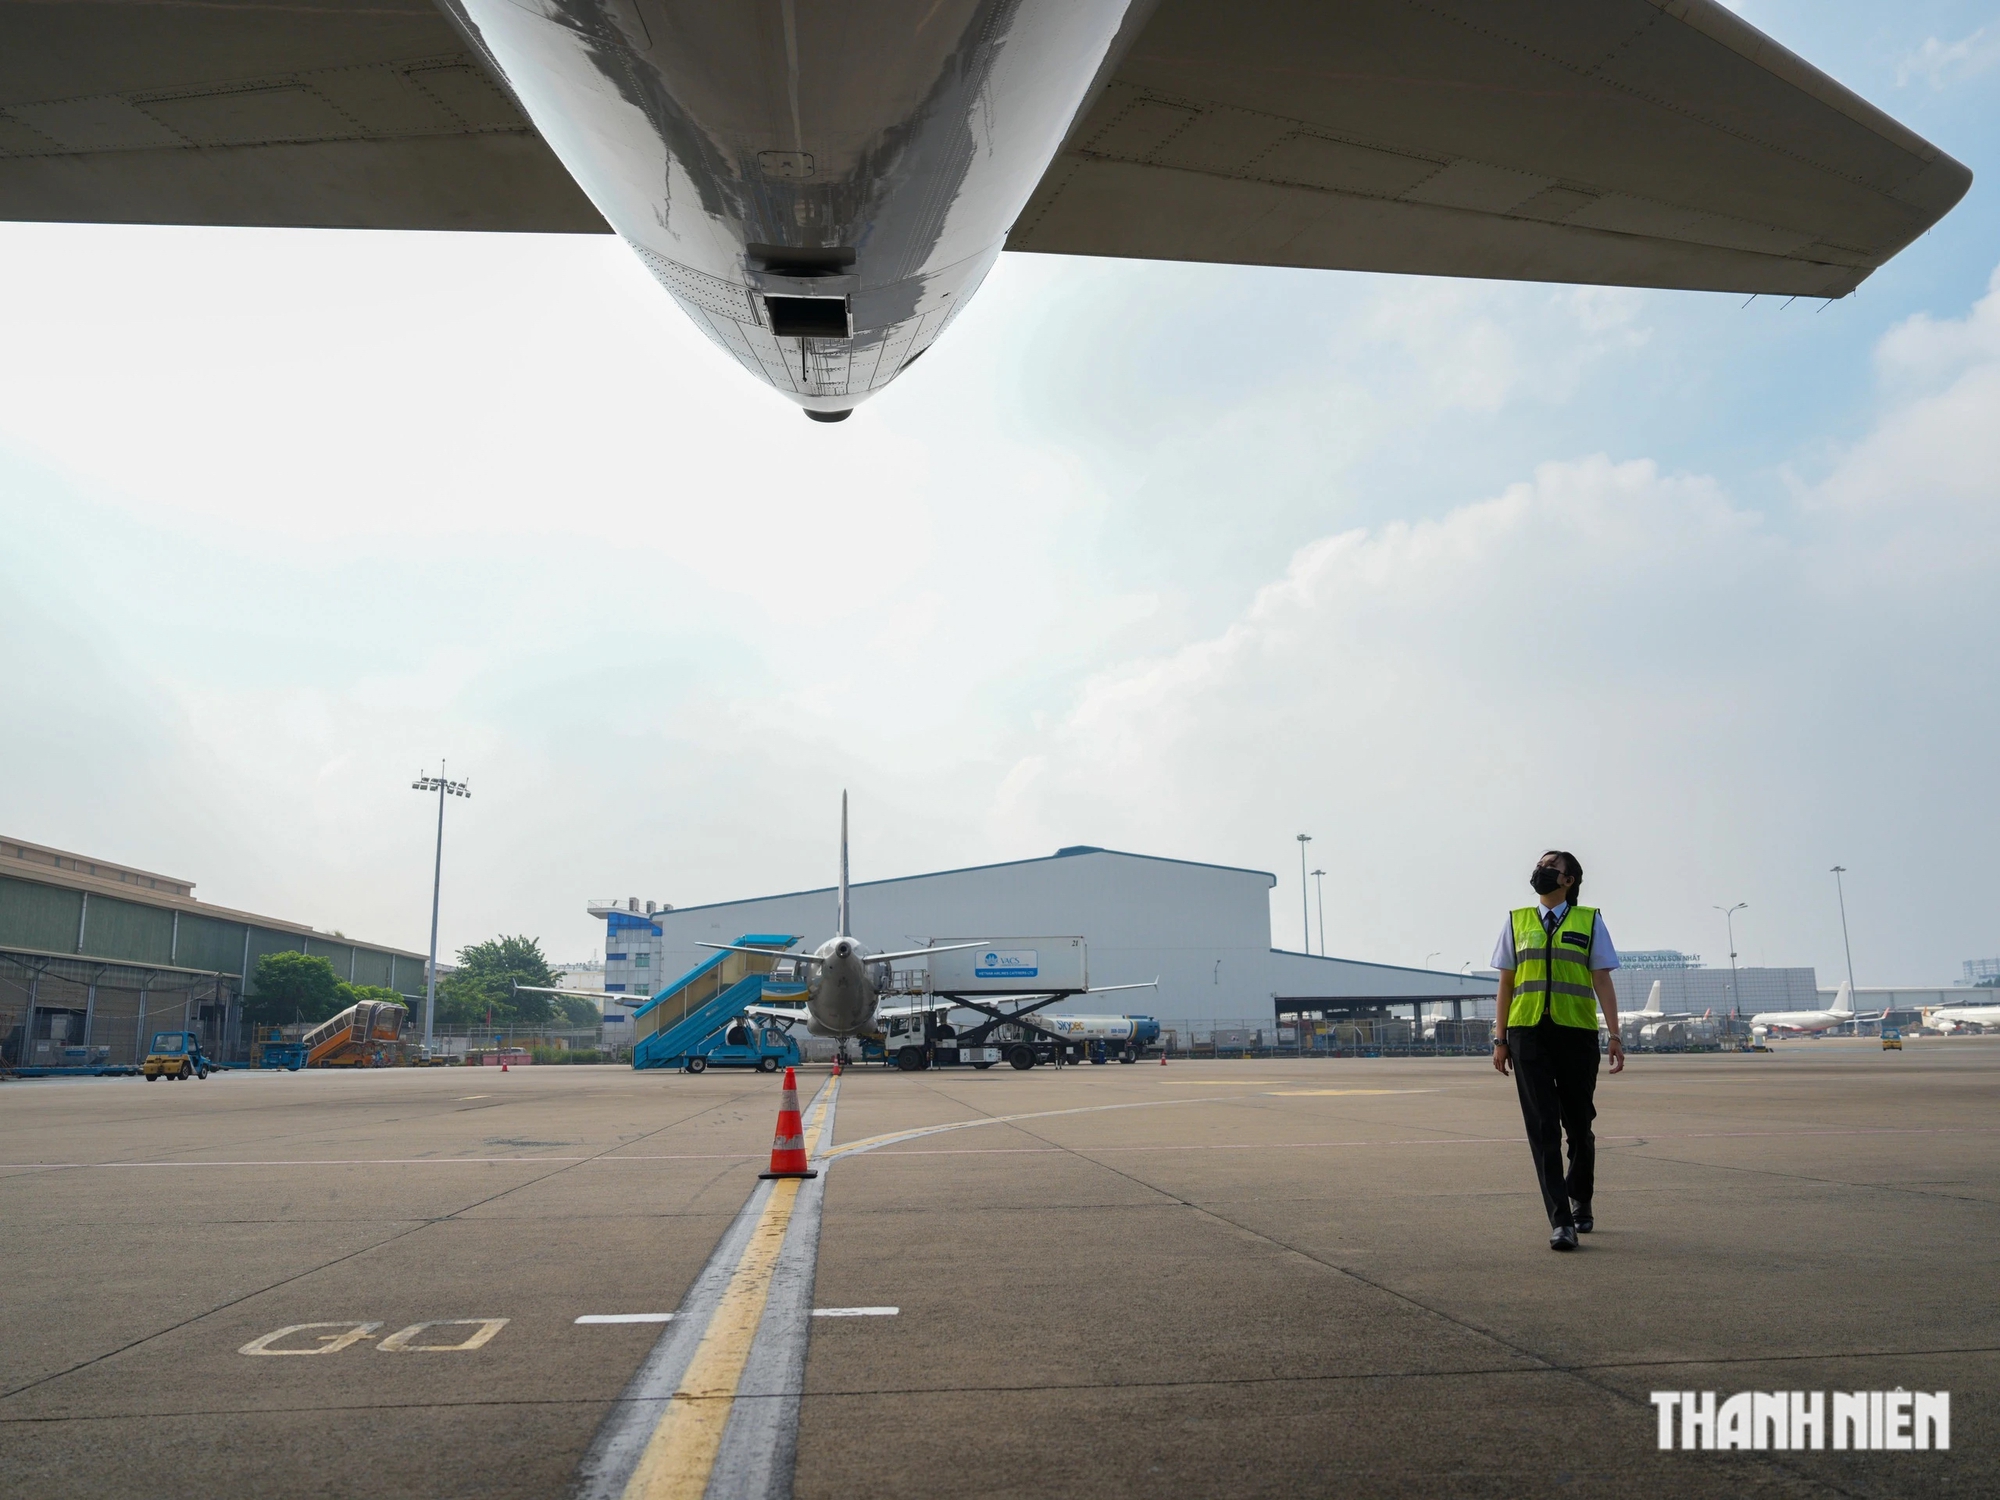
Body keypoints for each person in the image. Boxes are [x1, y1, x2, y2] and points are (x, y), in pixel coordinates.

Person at [1491, 850, 1624, 1251]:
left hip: (1575, 1035)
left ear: (1569, 880)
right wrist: (1500, 1039)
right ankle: (1560, 1219)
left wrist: (1615, 1035)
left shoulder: (1590, 920)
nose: (1541, 871)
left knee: (1579, 1127)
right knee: (1543, 1129)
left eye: (1551, 867)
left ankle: (1581, 1195)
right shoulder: (1517, 921)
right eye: (1540, 865)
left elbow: (1601, 979)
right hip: (1527, 1034)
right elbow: (1506, 983)